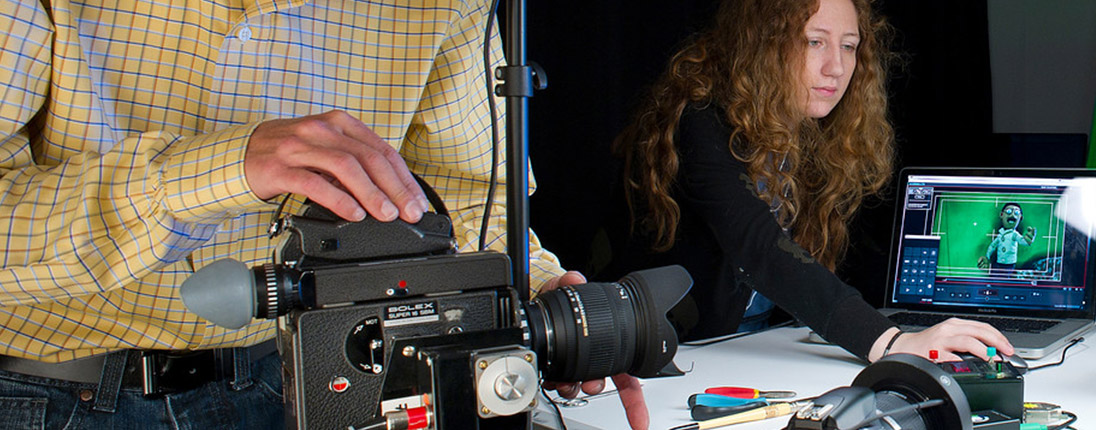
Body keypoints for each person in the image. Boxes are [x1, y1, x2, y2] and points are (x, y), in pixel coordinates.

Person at [0, 0, 648, 428]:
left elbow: (472, 201)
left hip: (306, 382)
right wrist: (222, 170)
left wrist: (540, 300)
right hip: (59, 395)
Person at [611, 0, 1014, 364]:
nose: (836, 68)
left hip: (763, 351)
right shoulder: (700, 119)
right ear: (763, 44)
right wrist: (889, 342)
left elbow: (845, 265)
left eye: (849, 46)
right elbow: (762, 248)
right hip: (668, 359)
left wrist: (957, 312)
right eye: (814, 42)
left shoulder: (815, 128)